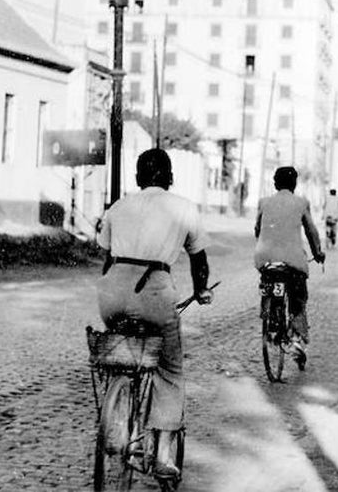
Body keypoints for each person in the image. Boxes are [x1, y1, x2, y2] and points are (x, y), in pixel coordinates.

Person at [97, 148, 212, 482]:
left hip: (111, 292)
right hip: (155, 291)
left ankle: (116, 409)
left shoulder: (118, 206)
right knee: (170, 368)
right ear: (171, 178)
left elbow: (106, 258)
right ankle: (163, 455)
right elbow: (198, 260)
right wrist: (201, 289)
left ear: (137, 178)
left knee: (121, 350)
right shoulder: (184, 208)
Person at [255, 166, 326, 369]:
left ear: (275, 183)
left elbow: (258, 230)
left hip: (265, 259)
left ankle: (268, 317)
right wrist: (318, 253)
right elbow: (311, 232)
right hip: (292, 261)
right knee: (298, 300)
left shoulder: (263, 202)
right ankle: (296, 339)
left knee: (267, 283)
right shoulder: (301, 203)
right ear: (294, 184)